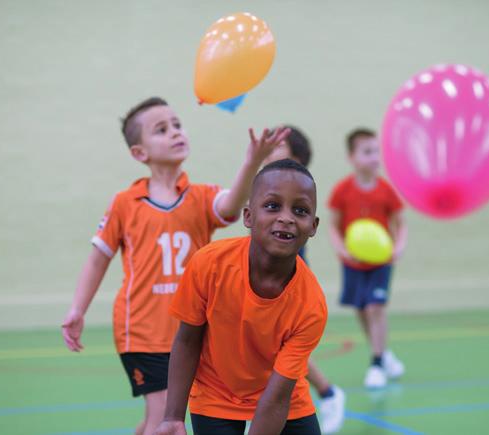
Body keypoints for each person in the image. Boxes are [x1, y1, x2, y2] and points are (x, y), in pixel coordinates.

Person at [61, 96, 289, 435]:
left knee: (157, 417)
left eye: (178, 125)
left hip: (192, 333)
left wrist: (251, 162)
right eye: (162, 129)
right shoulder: (125, 203)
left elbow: (230, 206)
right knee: (165, 415)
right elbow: (98, 259)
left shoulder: (199, 196)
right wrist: (78, 309)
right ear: (140, 153)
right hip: (142, 332)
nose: (175, 133)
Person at [156, 159, 327, 435]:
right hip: (215, 393)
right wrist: (173, 417)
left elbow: (277, 397)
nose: (286, 217)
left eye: (301, 210)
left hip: (282, 396)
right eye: (272, 206)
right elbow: (187, 340)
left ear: (313, 226)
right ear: (248, 216)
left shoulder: (311, 304)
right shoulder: (208, 265)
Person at [263, 126, 345, 433]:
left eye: (278, 147)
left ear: (296, 157)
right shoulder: (269, 184)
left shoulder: (295, 189)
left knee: (281, 346)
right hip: (271, 268)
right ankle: (326, 393)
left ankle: (327, 393)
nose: (270, 150)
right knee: (274, 347)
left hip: (289, 268)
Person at [328, 128, 407, 389]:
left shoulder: (386, 191)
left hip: (380, 263)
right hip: (353, 263)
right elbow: (333, 225)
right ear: (352, 157)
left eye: (376, 151)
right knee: (362, 310)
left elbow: (400, 223)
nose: (375, 157)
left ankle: (375, 363)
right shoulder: (342, 191)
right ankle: (384, 355)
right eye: (367, 152)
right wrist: (340, 249)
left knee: (376, 307)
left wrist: (399, 246)